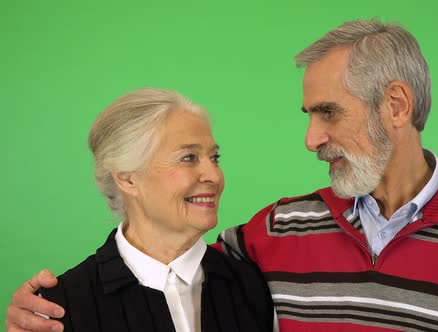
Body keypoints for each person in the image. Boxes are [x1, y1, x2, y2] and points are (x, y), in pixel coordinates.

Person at [6, 19, 438, 332]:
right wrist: (42, 308)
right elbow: (163, 261)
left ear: (396, 105)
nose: (311, 139)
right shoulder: (276, 231)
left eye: (328, 112)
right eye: (308, 116)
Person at [6, 88, 274, 332]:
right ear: (127, 178)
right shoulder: (59, 307)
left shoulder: (254, 286)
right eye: (188, 158)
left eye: (214, 158)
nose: (214, 175)